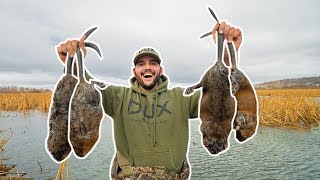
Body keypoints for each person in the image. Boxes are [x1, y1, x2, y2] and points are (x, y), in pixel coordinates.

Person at [56, 22, 242, 179]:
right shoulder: (118, 97)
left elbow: (220, 94)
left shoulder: (182, 98)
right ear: (134, 71)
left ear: (160, 70)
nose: (147, 67)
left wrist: (227, 55)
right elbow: (87, 90)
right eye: (141, 63)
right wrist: (72, 63)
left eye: (153, 63)